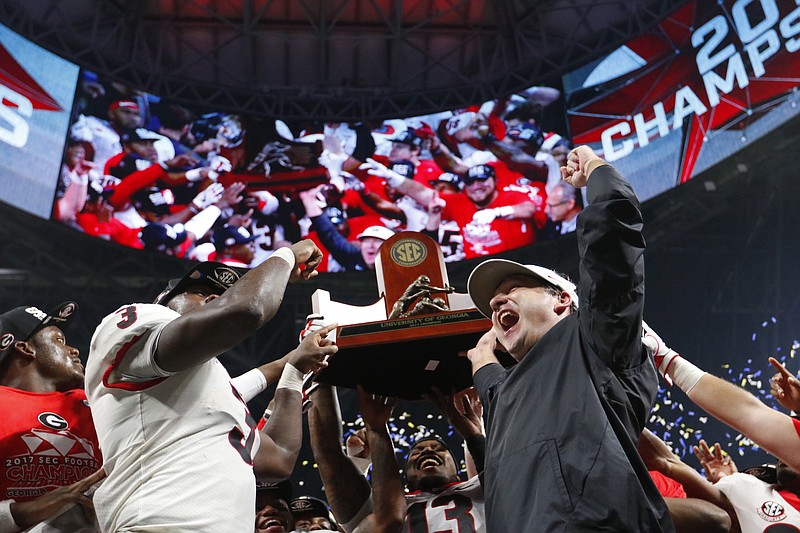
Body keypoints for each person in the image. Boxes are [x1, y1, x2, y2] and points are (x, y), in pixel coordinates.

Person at [464, 145, 673, 531]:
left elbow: (611, 243)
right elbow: (497, 391)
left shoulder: (596, 340)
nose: (496, 301)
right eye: (494, 303)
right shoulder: (507, 394)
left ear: (563, 300)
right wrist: (482, 362)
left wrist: (596, 170)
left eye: (514, 287)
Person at [85, 246, 337, 532]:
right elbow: (248, 309)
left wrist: (294, 369)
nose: (216, 299)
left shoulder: (208, 388)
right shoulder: (143, 318)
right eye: (201, 292)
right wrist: (287, 255)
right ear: (163, 301)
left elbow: (279, 457)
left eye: (223, 294)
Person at [309, 383, 486, 533]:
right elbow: (328, 453)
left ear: (458, 474)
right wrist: (319, 372)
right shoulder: (383, 509)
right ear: (405, 481)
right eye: (416, 452)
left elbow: (496, 468)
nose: (426, 451)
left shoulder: (480, 489)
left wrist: (473, 433)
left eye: (438, 449)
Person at [0, 302, 105, 532]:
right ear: (26, 349)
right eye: (59, 341)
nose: (75, 350)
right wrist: (21, 511)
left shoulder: (95, 402)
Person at [644, 326, 800, 474]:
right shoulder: (765, 484)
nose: (782, 459)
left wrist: (666, 359)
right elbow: (749, 412)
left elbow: (748, 413)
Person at [361, 160, 540, 258]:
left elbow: (528, 209)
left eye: (482, 180)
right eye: (471, 182)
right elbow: (423, 193)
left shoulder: (510, 195)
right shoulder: (460, 202)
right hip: (479, 268)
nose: (477, 186)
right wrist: (392, 177)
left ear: (495, 182)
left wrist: (497, 212)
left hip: (520, 260)